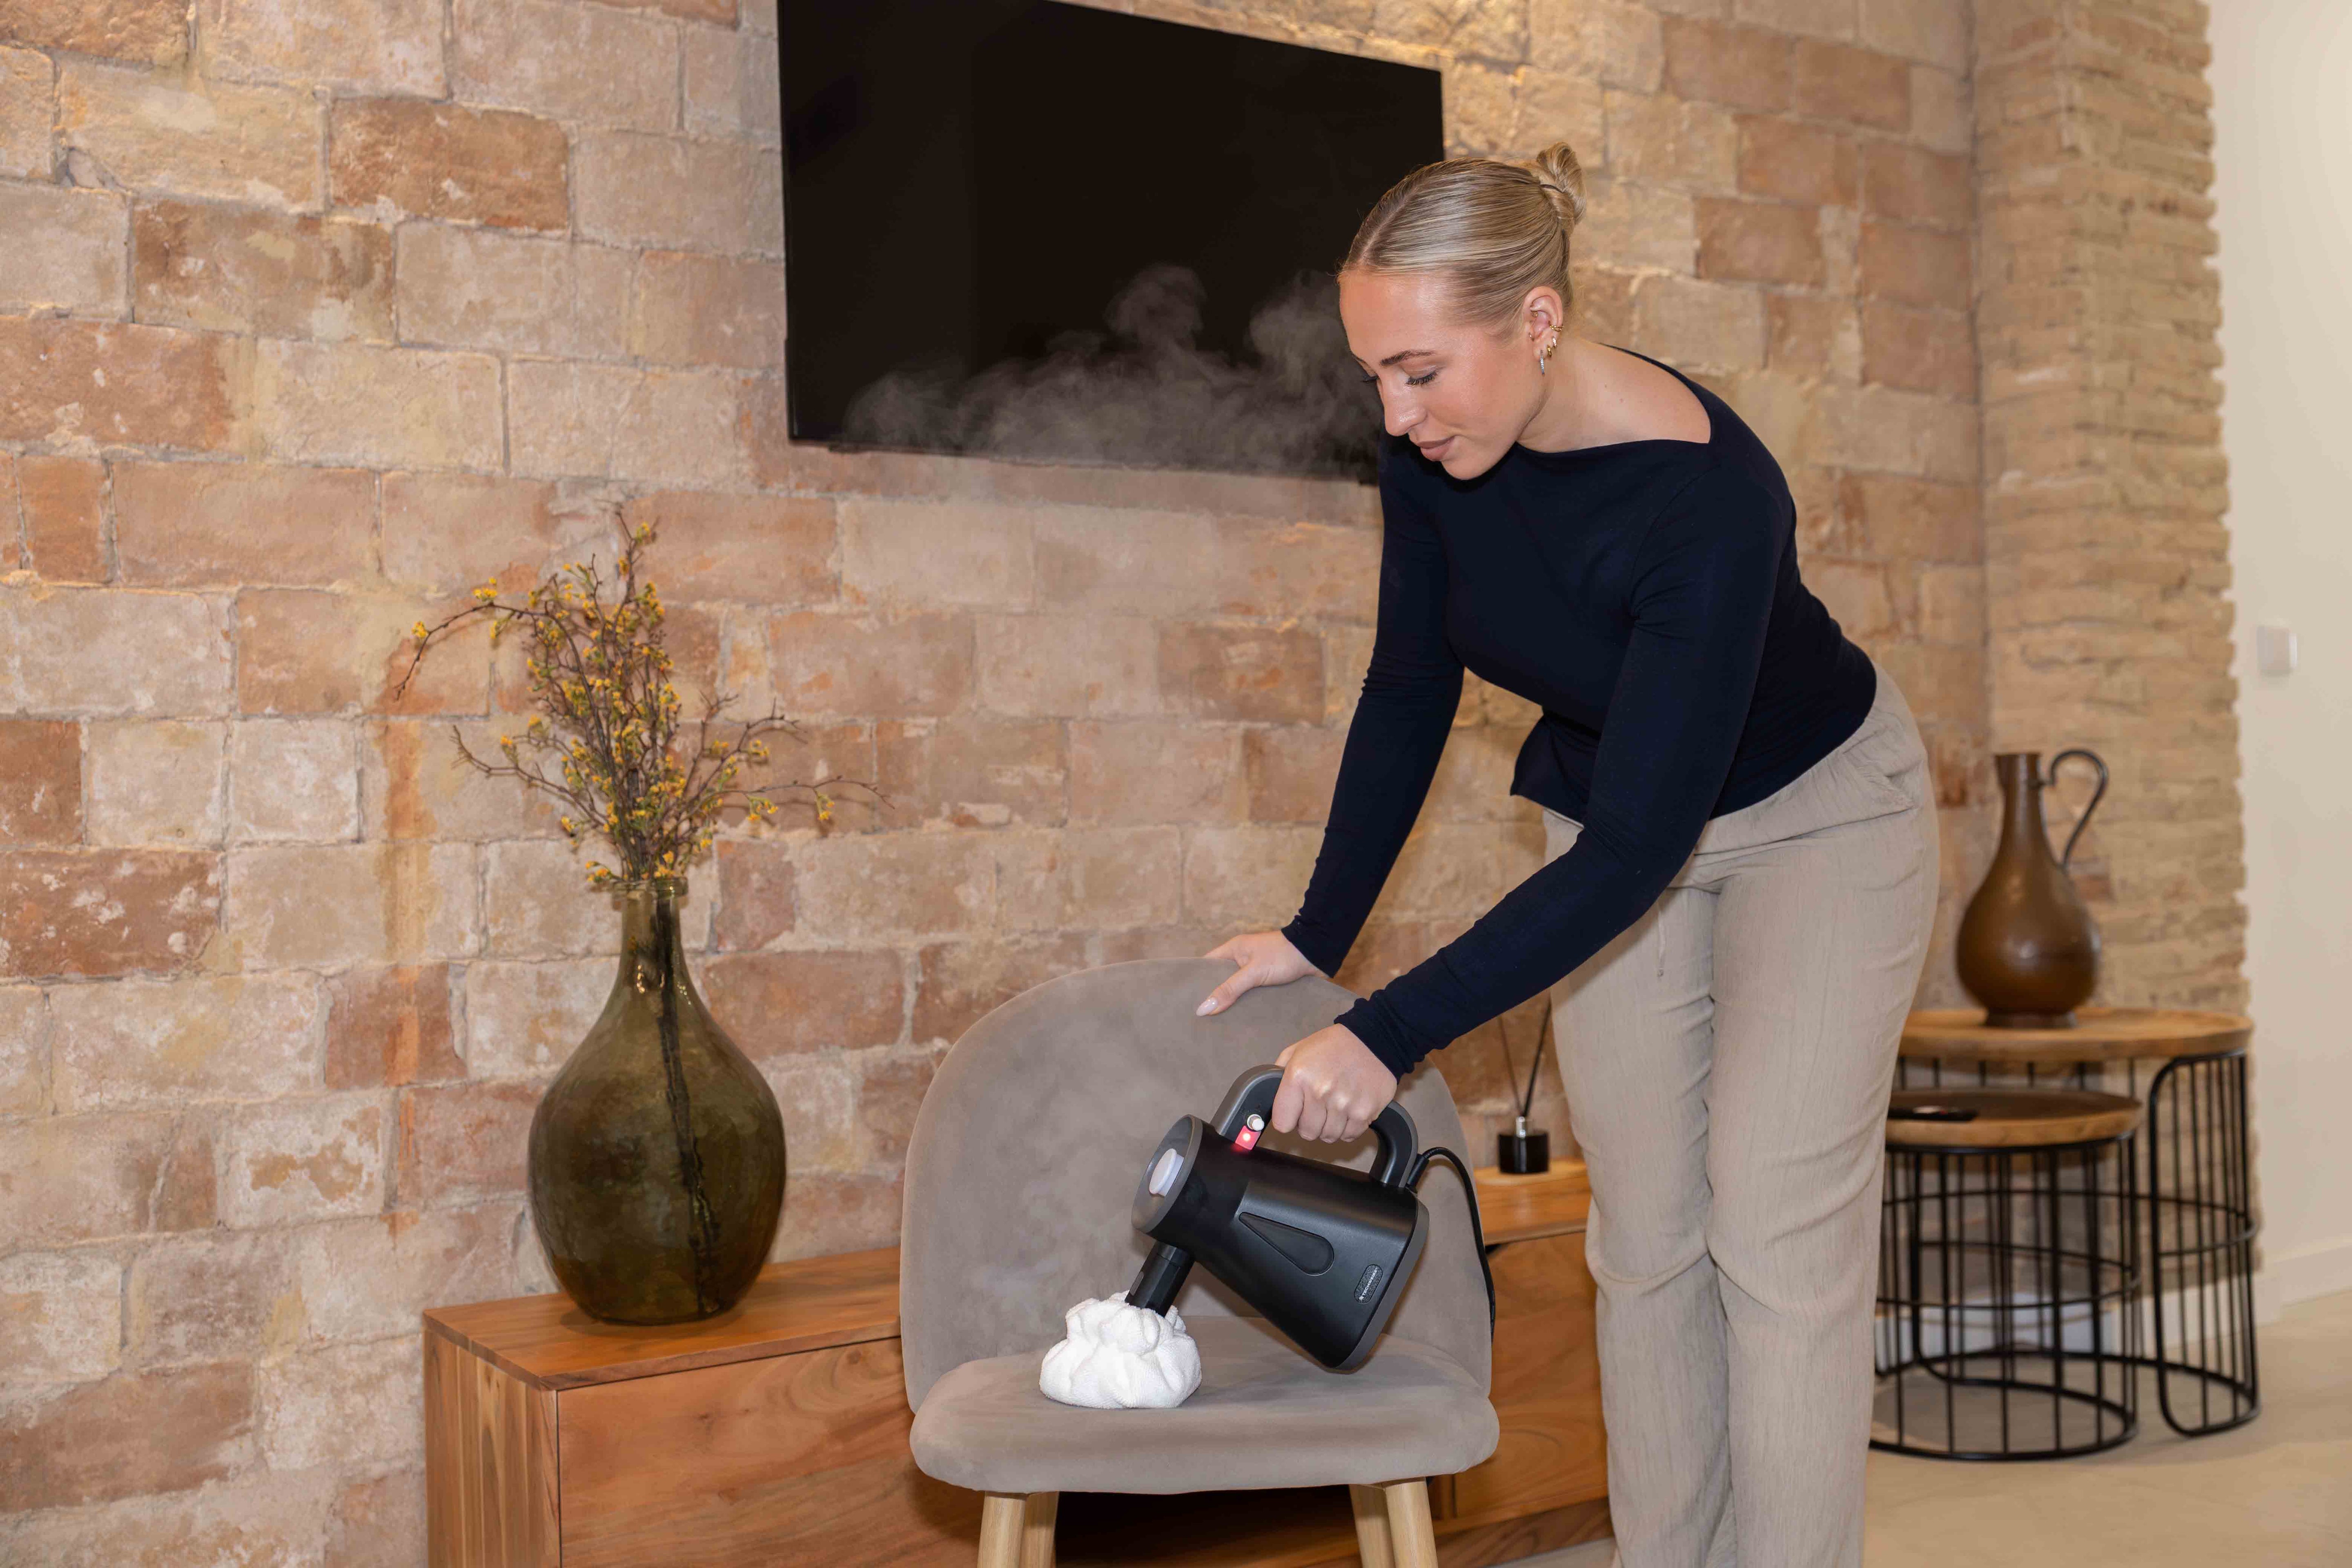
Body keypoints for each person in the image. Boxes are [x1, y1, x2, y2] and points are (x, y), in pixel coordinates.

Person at [1194, 140, 1941, 1568]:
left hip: (1819, 823)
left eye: (1421, 371)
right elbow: (1410, 683)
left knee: (1775, 1237)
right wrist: (1316, 934)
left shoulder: (1710, 504)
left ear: (1537, 321)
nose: (1396, 413)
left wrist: (1385, 1034)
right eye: (1377, 375)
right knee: (1646, 1240)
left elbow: (1642, 849)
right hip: (1613, 815)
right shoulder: (1434, 447)